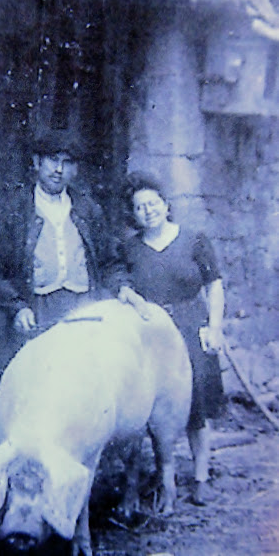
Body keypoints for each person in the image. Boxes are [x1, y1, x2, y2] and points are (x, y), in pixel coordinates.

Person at [120, 172, 225, 506]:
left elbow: (214, 285)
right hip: (152, 331)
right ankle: (161, 475)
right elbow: (121, 284)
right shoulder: (130, 249)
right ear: (133, 215)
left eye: (153, 203)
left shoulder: (194, 240)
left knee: (196, 406)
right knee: (152, 404)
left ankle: (201, 477)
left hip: (191, 327)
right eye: (140, 207)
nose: (148, 211)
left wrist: (215, 327)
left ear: (166, 205)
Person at [0, 133, 143, 346]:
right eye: (53, 160)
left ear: (75, 170)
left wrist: (123, 287)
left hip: (83, 306)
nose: (59, 169)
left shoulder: (87, 209)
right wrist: (17, 308)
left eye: (67, 163)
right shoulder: (16, 210)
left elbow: (110, 261)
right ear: (37, 162)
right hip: (37, 309)